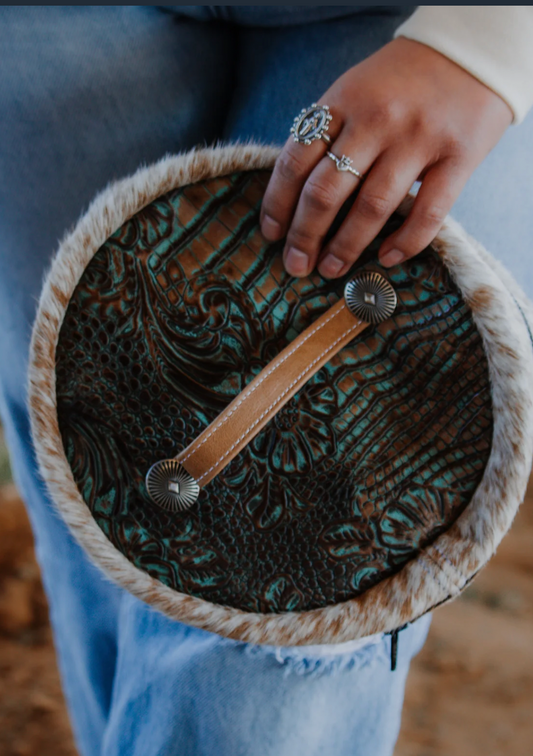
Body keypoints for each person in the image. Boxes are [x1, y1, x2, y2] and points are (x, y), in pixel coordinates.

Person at [0, 6, 532, 756]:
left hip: (411, 27)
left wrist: (484, 44)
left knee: (300, 596)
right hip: (50, 27)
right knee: (99, 482)